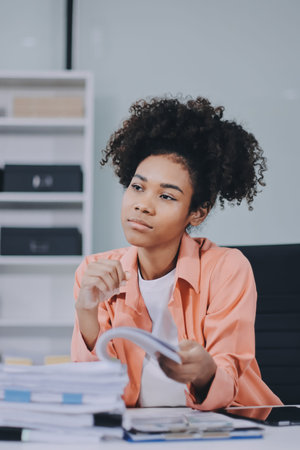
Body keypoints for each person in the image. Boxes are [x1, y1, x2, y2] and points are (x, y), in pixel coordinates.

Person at [71, 96, 282, 410]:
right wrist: (86, 312)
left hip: (229, 432)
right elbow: (94, 395)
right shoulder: (95, 270)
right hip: (139, 434)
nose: (142, 204)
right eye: (137, 187)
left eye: (166, 196)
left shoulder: (226, 268)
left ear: (197, 212)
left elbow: (229, 379)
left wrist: (204, 371)